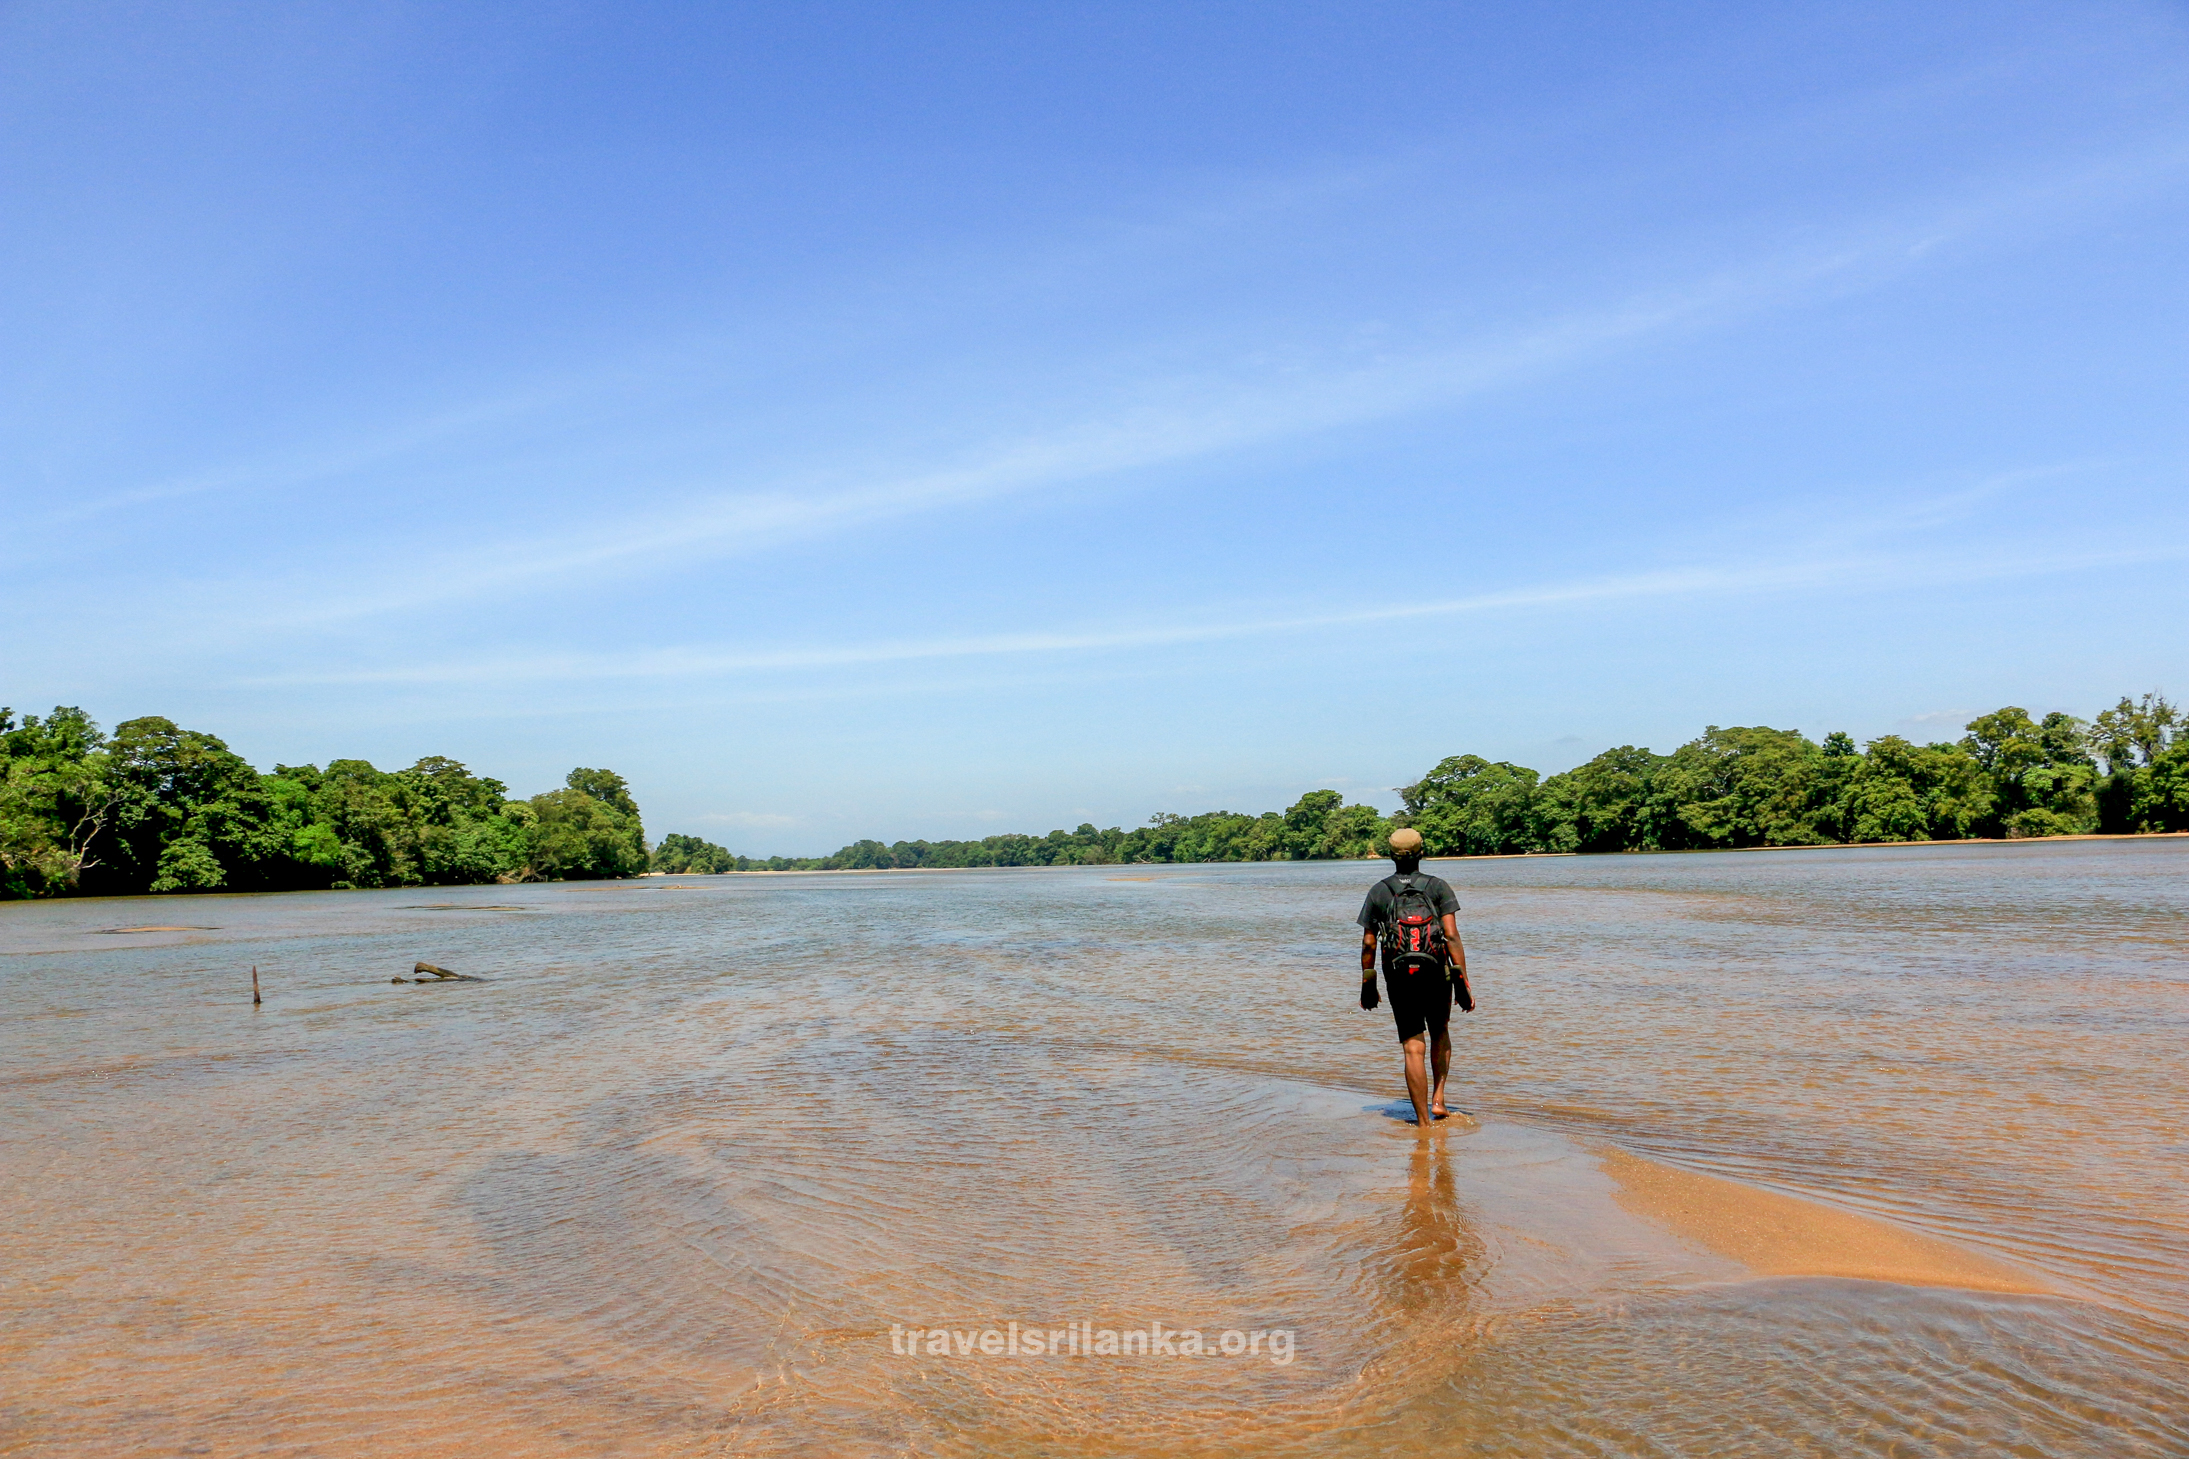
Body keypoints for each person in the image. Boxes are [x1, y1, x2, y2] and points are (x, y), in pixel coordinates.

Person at [1357, 827, 1470, 1128]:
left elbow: (1369, 943)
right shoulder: (1438, 887)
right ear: (1422, 852)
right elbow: (1451, 935)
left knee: (1412, 1046)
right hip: (1436, 973)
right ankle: (1439, 1098)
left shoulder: (1379, 891)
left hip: (1399, 977)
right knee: (1440, 1031)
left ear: (1391, 855)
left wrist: (1369, 983)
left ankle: (1423, 1123)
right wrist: (1462, 981)